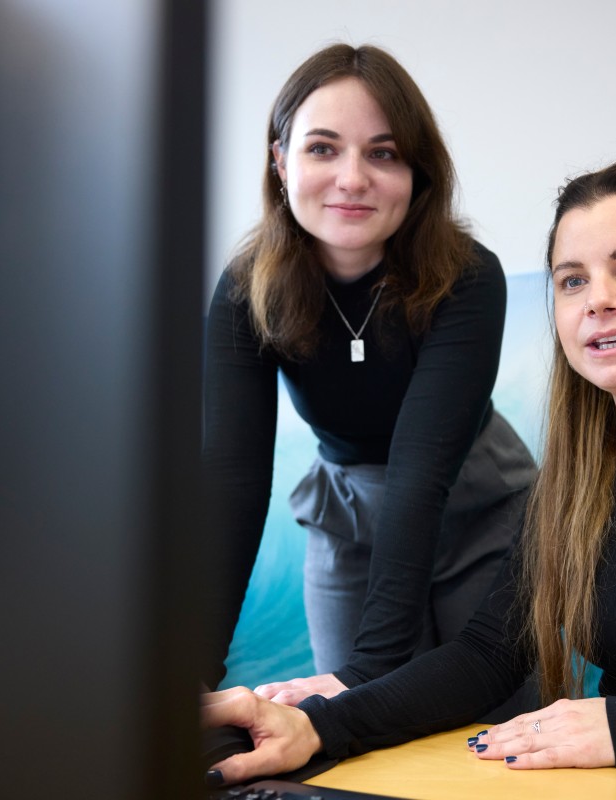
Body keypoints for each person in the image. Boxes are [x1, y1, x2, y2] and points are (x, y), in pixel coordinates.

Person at [201, 151, 616, 786]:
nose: (597, 301)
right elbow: (487, 654)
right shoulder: (578, 479)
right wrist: (319, 725)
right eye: (572, 281)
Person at [201, 42, 538, 710]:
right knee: (347, 744)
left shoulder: (468, 276)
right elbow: (233, 481)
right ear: (280, 161)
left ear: (417, 171)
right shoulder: (245, 290)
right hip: (349, 516)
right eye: (322, 148)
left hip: (481, 509)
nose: (352, 178)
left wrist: (369, 675)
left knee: (498, 731)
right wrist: (195, 673)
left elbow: (421, 471)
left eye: (382, 153)